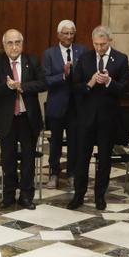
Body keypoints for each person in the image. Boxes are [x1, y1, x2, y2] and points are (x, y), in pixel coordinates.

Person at [69, 25, 127, 211]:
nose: (99, 48)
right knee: (82, 158)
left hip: (108, 118)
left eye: (103, 44)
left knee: (104, 159)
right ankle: (79, 195)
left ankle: (100, 196)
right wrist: (91, 83)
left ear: (110, 41)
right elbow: (75, 88)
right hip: (85, 118)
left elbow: (124, 90)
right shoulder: (85, 58)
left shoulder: (120, 59)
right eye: (96, 44)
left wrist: (109, 82)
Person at [0, 29, 46, 210]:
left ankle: (26, 196)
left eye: (17, 42)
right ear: (4, 45)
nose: (14, 47)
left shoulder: (32, 60)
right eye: (10, 43)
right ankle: (8, 196)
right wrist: (7, 87)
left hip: (28, 118)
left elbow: (43, 83)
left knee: (29, 159)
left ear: (22, 44)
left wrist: (23, 86)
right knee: (8, 160)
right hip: (7, 119)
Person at [42, 20, 87, 190]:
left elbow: (85, 73)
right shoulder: (49, 54)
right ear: (58, 34)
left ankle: (72, 174)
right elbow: (46, 79)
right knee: (55, 142)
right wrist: (63, 75)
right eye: (65, 33)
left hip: (76, 105)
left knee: (75, 141)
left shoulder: (81, 50)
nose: (69, 37)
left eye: (72, 33)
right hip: (57, 105)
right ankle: (53, 174)